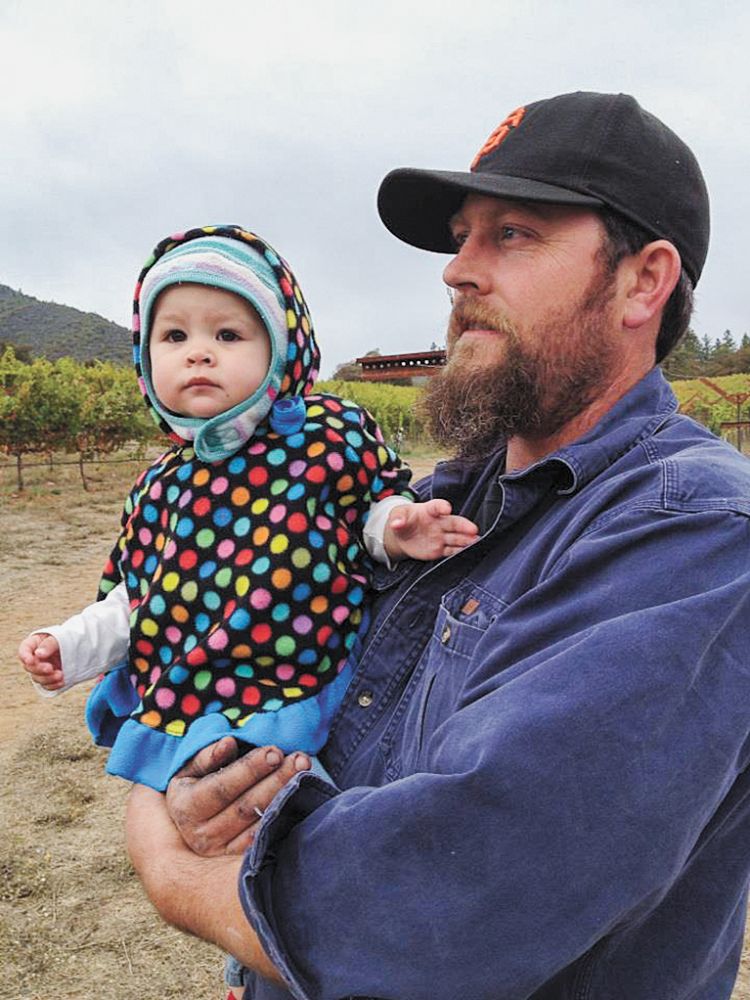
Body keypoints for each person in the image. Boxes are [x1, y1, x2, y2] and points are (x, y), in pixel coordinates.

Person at [125, 92, 750, 1000]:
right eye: (463, 235)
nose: (457, 271)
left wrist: (170, 864)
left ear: (642, 282)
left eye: (514, 234)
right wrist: (203, 781)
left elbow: (448, 905)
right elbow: (289, 685)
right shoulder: (435, 503)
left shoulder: (691, 536)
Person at [17, 225, 478, 996]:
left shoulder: (327, 439)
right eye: (175, 335)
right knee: (222, 841)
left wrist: (398, 526)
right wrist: (68, 646)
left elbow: (365, 514)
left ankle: (287, 963)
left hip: (304, 681)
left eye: (228, 333)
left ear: (281, 350)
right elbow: (139, 597)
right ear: (144, 358)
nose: (199, 352)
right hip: (197, 705)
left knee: (310, 839)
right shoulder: (160, 488)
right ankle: (247, 967)